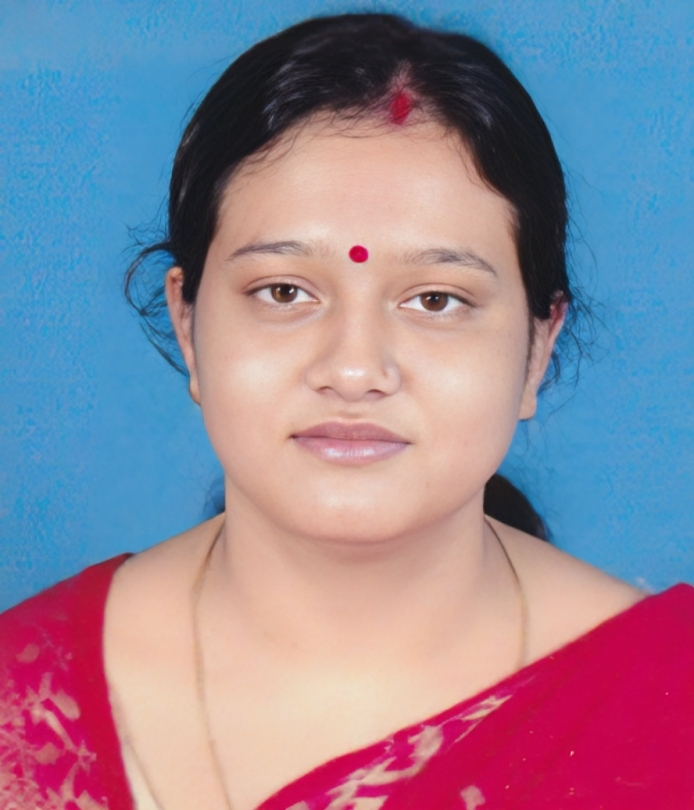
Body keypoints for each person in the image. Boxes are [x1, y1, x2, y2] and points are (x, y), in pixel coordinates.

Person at [1, 13, 692, 810]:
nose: (356, 370)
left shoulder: (672, 712)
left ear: (539, 346)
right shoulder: (21, 706)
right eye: (284, 291)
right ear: (188, 324)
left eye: (436, 299)